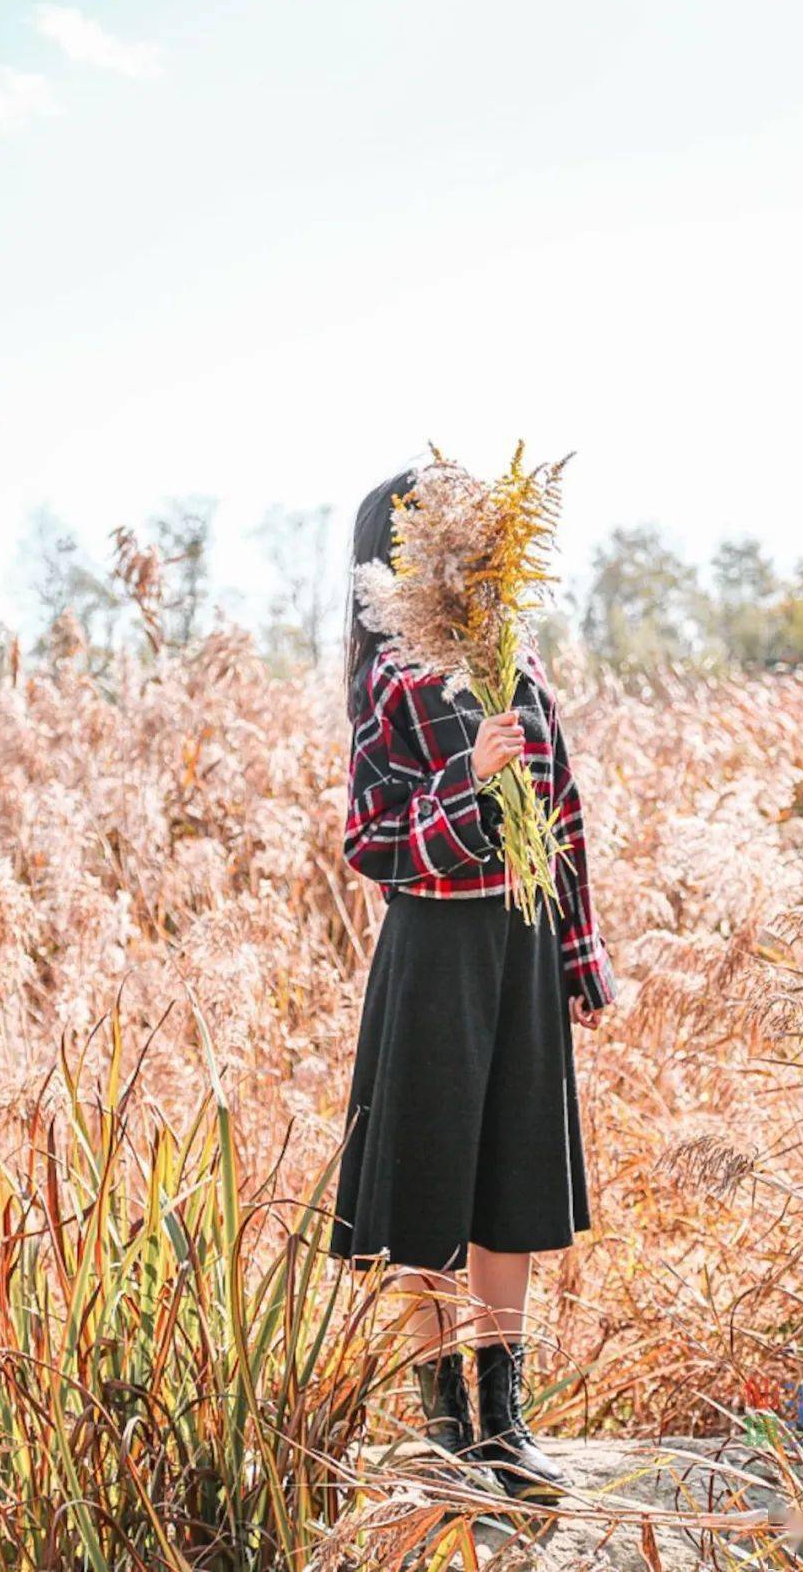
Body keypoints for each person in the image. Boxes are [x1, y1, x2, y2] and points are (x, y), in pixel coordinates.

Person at [329, 462, 616, 1500]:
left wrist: (580, 959)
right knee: (428, 1182)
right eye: (429, 535)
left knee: (515, 1178)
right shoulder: (392, 672)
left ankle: (506, 1426)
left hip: (523, 943)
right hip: (438, 950)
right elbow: (371, 838)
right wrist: (470, 778)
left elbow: (564, 811)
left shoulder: (514, 654)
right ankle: (445, 1426)